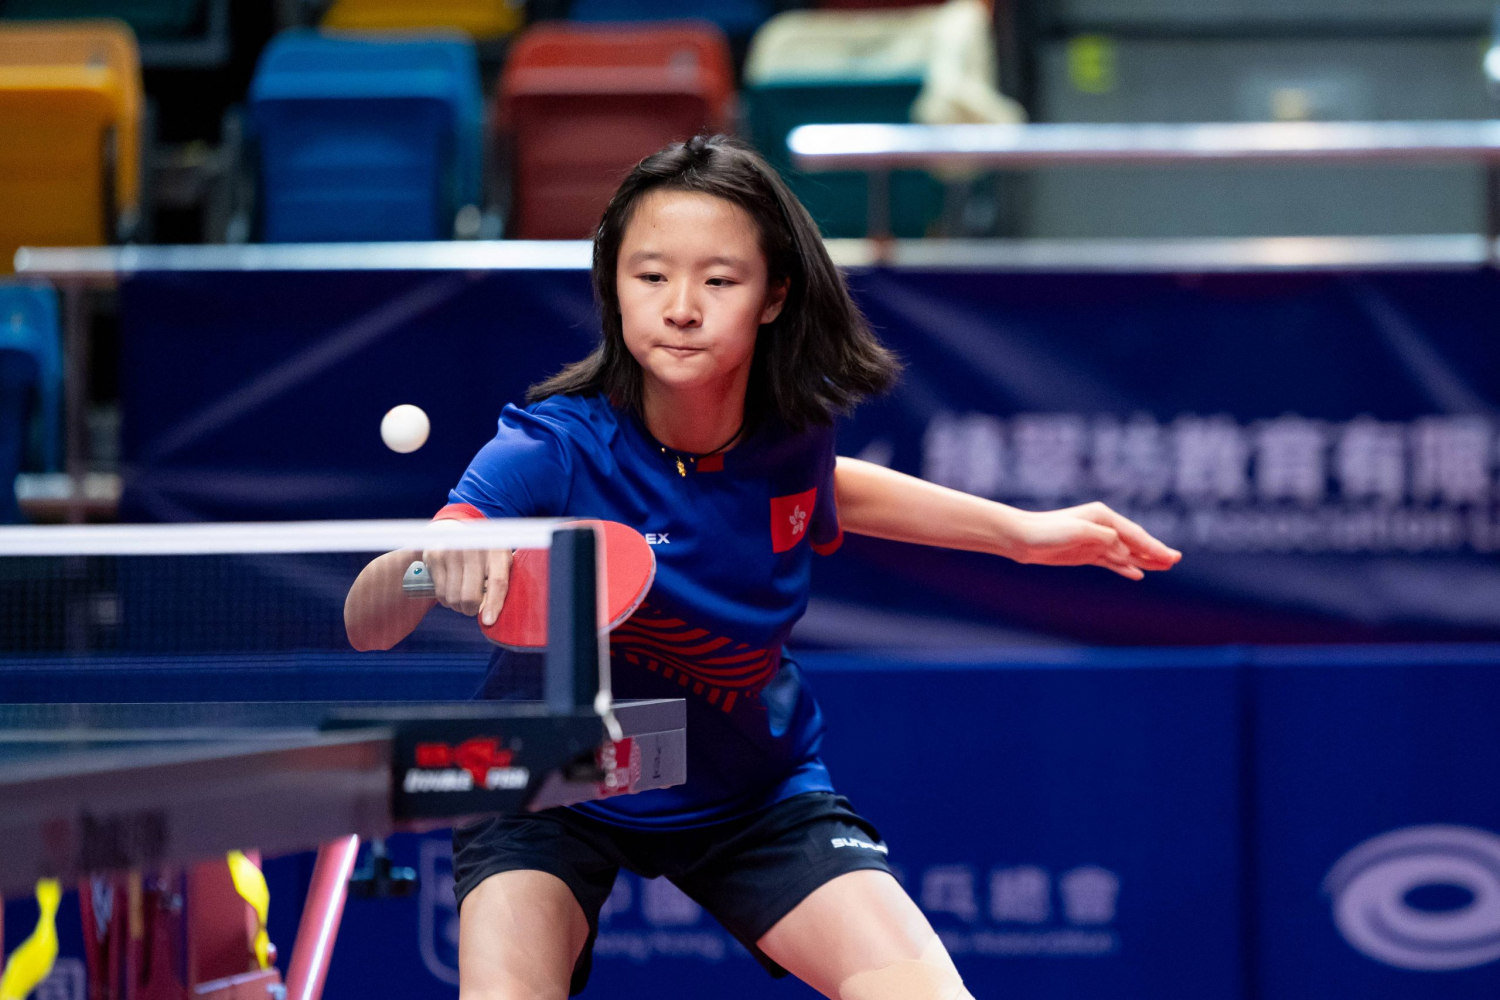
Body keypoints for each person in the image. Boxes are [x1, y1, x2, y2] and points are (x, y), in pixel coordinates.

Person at [345, 134, 1181, 1000]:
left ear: (774, 294)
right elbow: (370, 624)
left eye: (719, 280)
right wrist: (422, 563)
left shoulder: (789, 437)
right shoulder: (547, 450)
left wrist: (1022, 533)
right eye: (650, 275)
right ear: (612, 286)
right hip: (553, 786)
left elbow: (828, 485)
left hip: (751, 789)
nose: (681, 308)